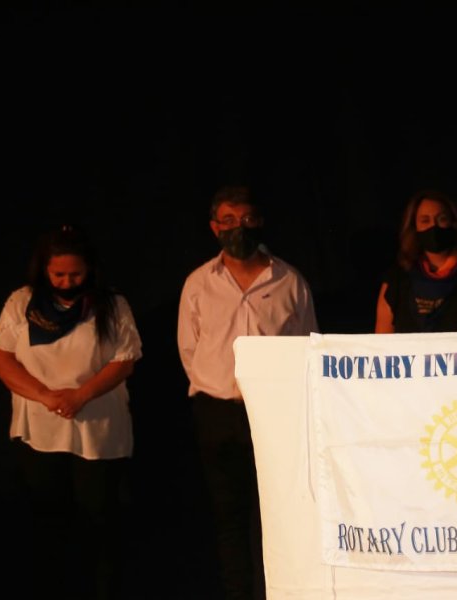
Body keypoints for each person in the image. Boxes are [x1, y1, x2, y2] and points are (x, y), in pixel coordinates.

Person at [178, 184, 319, 600]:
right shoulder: (199, 283)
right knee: (229, 515)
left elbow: (307, 344)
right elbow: (190, 346)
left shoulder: (289, 280)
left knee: (275, 513)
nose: (238, 227)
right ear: (213, 226)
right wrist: (216, 387)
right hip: (217, 409)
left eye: (247, 219)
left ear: (260, 222)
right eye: (228, 220)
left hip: (273, 412)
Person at [0, 224, 142, 600]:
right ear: (44, 270)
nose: (67, 281)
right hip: (41, 430)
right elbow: (2, 360)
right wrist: (44, 395)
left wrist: (80, 395)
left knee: (101, 526)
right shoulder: (21, 302)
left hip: (97, 430)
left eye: (76, 274)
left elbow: (125, 360)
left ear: (90, 269)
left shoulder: (111, 304)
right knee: (49, 525)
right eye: (59, 274)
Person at [375, 189, 457, 333]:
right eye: (425, 220)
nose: (433, 226)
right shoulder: (397, 280)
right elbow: (381, 344)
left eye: (441, 219)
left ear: (454, 223)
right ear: (414, 226)